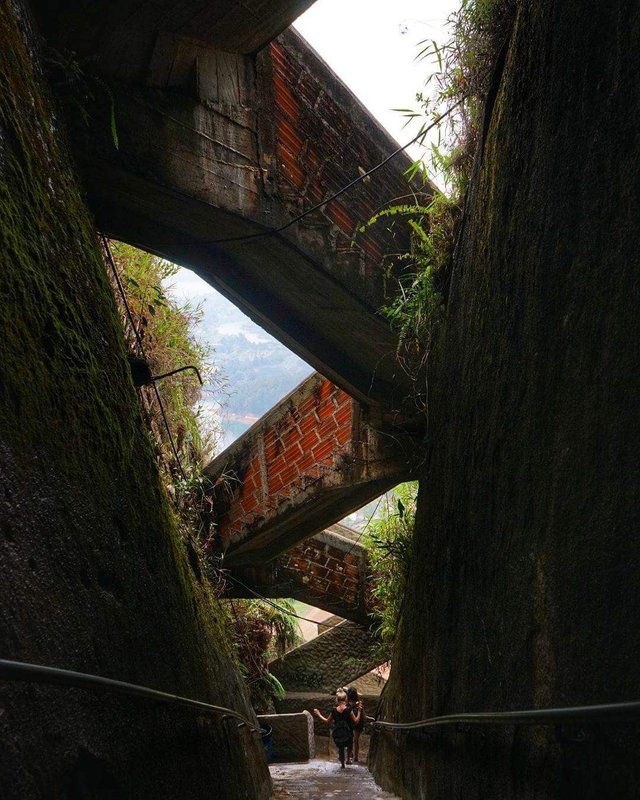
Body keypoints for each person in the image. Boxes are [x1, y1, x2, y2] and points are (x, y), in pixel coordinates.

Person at [313, 688, 361, 768]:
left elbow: (327, 721)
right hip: (348, 732)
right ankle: (348, 759)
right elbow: (356, 721)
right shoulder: (349, 710)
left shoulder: (334, 710)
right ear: (346, 699)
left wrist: (319, 714)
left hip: (337, 733)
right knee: (349, 745)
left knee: (341, 747)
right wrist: (359, 711)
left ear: (337, 700)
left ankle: (342, 763)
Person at [346, 687, 365, 762]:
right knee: (356, 740)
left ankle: (351, 754)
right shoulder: (359, 702)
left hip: (351, 722)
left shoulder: (348, 703)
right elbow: (363, 713)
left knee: (350, 739)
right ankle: (355, 756)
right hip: (359, 721)